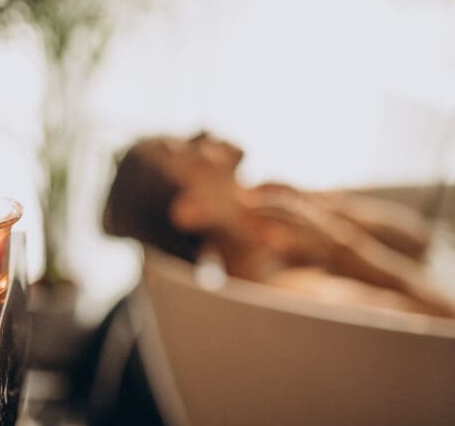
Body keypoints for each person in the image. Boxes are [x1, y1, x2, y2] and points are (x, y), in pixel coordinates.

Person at [104, 131, 455, 318]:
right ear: (191, 209)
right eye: (185, 146)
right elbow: (442, 321)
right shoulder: (283, 286)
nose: (204, 132)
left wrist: (325, 208)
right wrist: (342, 248)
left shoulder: (293, 228)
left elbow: (421, 242)